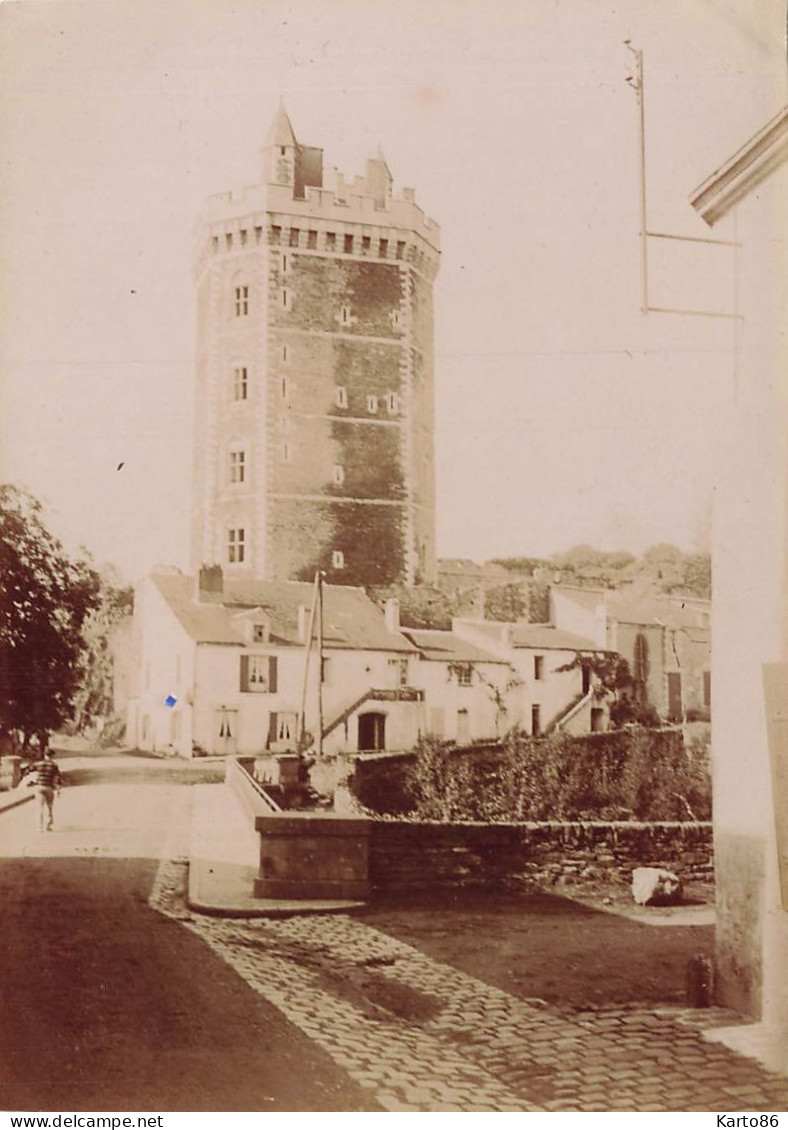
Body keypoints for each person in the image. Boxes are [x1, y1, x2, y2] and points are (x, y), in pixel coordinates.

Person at [28, 748, 62, 832]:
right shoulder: (54, 766)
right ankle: (48, 825)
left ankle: (40, 827)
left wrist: (32, 780)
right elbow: (56, 778)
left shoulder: (38, 764)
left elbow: (28, 770)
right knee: (49, 807)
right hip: (49, 787)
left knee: (39, 808)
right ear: (52, 756)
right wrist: (57, 789)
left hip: (39, 787)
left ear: (45, 755)